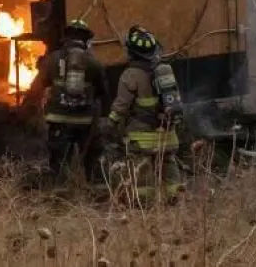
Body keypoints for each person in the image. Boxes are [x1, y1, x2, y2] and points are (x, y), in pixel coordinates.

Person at [102, 25, 184, 202]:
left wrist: (110, 123)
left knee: (143, 170)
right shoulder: (165, 70)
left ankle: (145, 205)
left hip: (142, 138)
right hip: (167, 134)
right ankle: (176, 198)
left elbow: (121, 106)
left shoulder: (130, 75)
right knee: (169, 165)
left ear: (132, 53)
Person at [35, 18, 110, 184]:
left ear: (66, 37)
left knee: (59, 162)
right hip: (85, 122)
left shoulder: (52, 59)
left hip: (58, 121)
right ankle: (97, 194)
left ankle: (59, 198)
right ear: (85, 39)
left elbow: (43, 83)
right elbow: (103, 91)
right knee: (91, 159)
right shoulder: (93, 63)